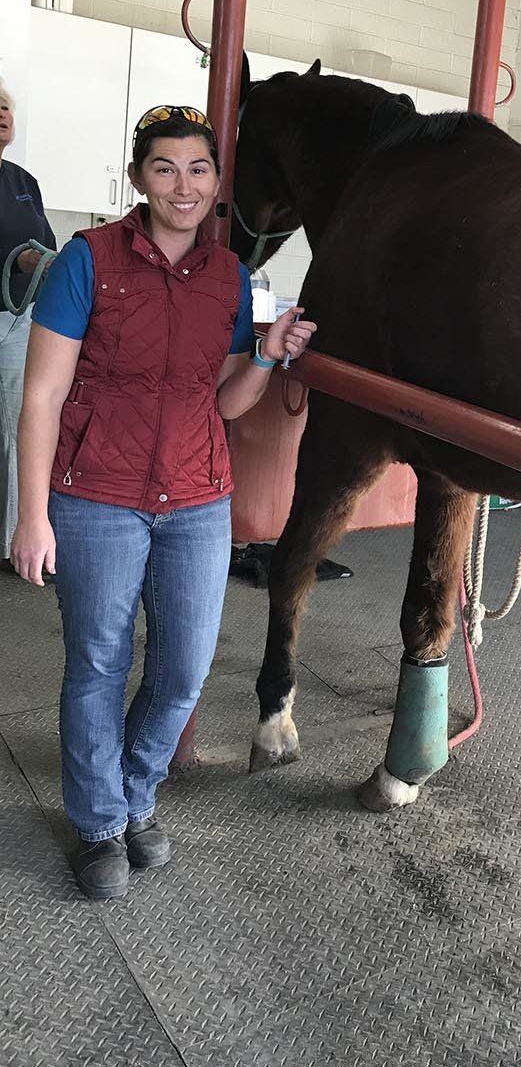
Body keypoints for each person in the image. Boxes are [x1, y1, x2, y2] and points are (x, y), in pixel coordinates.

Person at [11, 104, 315, 901]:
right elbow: (41, 395)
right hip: (97, 494)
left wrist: (271, 356)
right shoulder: (88, 261)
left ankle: (135, 793)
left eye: (199, 169)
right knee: (98, 666)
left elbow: (228, 402)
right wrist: (31, 513)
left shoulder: (232, 278)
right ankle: (100, 821)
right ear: (140, 177)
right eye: (165, 168)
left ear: (217, 184)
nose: (184, 185)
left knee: (184, 668)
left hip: (196, 497)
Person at [0, 83, 56, 567]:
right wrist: (12, 262)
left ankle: (18, 544)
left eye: (5, 108)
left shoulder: (23, 181)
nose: (1, 114)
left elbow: (47, 242)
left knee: (20, 426)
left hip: (20, 320)